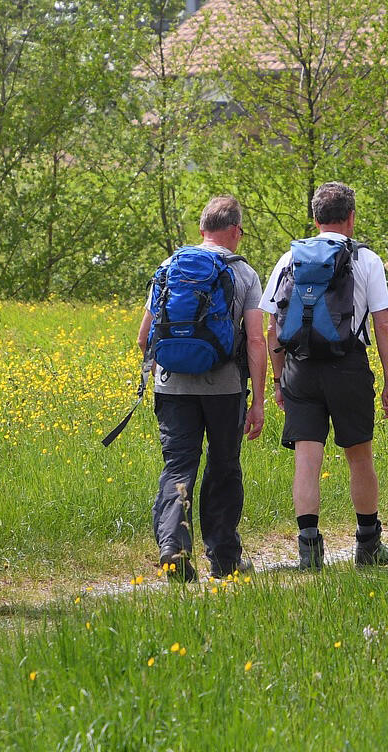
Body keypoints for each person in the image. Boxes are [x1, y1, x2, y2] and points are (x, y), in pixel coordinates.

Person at [260, 182, 388, 571]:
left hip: (300, 368)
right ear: (351, 218)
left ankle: (309, 550)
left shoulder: (289, 257)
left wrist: (278, 381)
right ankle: (368, 545)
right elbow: (383, 325)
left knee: (307, 459)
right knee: (359, 456)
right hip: (348, 367)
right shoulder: (365, 259)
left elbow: (272, 328)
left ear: (315, 218)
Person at [137, 196, 266, 582]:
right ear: (234, 231)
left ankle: (173, 545)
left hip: (172, 387)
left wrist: (167, 368)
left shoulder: (168, 267)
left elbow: (143, 337)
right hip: (225, 388)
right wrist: (259, 401)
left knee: (178, 464)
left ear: (202, 230)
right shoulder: (244, 273)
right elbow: (255, 340)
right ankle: (224, 559)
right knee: (223, 466)